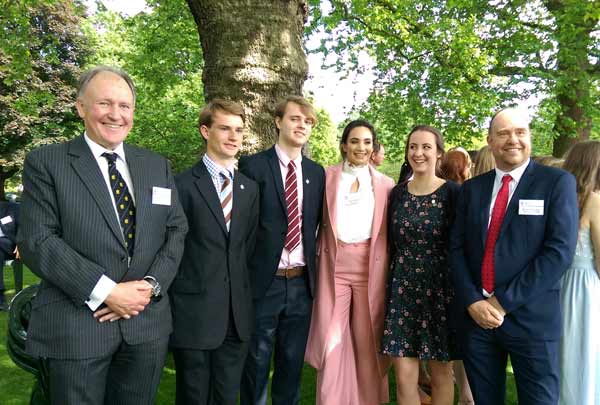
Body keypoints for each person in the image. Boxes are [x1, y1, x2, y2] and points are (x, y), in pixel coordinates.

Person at [17, 65, 188, 405]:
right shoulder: (47, 162)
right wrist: (107, 291)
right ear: (81, 107)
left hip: (145, 325)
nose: (116, 114)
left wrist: (150, 286)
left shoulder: (156, 165)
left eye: (124, 106)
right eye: (105, 104)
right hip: (78, 326)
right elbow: (38, 241)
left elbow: (176, 229)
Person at [450, 107, 579, 405]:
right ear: (490, 141)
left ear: (530, 137)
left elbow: (558, 252)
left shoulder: (556, 183)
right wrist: (473, 301)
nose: (514, 140)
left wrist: (500, 302)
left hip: (532, 320)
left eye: (521, 132)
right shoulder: (472, 190)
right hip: (477, 321)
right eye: (504, 133)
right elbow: (456, 249)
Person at [169, 99, 259, 404]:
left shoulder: (249, 189)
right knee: (193, 398)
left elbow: (247, 248)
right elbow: (172, 248)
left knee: (226, 398)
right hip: (193, 314)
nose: (234, 136)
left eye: (238, 130)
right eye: (225, 128)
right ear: (206, 131)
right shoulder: (181, 185)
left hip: (236, 317)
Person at [238, 96, 325, 405]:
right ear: (278, 122)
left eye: (308, 122)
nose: (302, 126)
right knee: (256, 365)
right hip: (264, 282)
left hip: (302, 284)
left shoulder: (317, 173)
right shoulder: (251, 166)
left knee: (291, 367)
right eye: (295, 119)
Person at [305, 120, 394, 404]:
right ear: (344, 145)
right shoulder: (326, 177)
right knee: (332, 338)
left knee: (367, 339)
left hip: (371, 269)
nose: (361, 147)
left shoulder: (385, 185)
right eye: (355, 141)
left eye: (367, 142)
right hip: (334, 267)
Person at [381, 125, 459, 405]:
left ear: (439, 153)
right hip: (402, 290)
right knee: (404, 378)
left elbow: (460, 246)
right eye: (413, 146)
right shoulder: (396, 194)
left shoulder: (453, 193)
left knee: (440, 375)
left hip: (439, 291)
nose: (418, 152)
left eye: (426, 147)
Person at [559, 140, 600, 405]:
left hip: (560, 283)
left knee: (564, 353)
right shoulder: (595, 201)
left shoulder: (560, 197)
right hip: (586, 288)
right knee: (584, 354)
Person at [0, 199, 19, 310]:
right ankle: (0, 300)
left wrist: (21, 243)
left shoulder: (11, 207)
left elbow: (23, 225)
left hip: (11, 245)